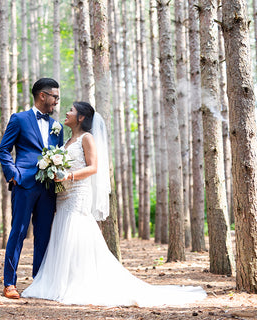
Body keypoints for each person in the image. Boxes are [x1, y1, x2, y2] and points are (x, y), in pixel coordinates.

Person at [21, 101, 207, 306]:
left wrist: (69, 176)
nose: (66, 112)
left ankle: (78, 282)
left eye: (71, 110)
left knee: (76, 233)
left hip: (78, 195)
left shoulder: (87, 138)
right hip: (63, 196)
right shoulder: (65, 142)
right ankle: (59, 281)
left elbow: (93, 168)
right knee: (62, 232)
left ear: (81, 117)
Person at [0, 78, 64, 299]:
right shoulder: (19, 119)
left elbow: (60, 154)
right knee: (18, 233)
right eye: (54, 96)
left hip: (48, 188)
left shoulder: (58, 127)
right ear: (42, 95)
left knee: (44, 235)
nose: (57, 100)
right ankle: (9, 283)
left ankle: (40, 283)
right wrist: (13, 175)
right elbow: (4, 150)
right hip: (24, 184)